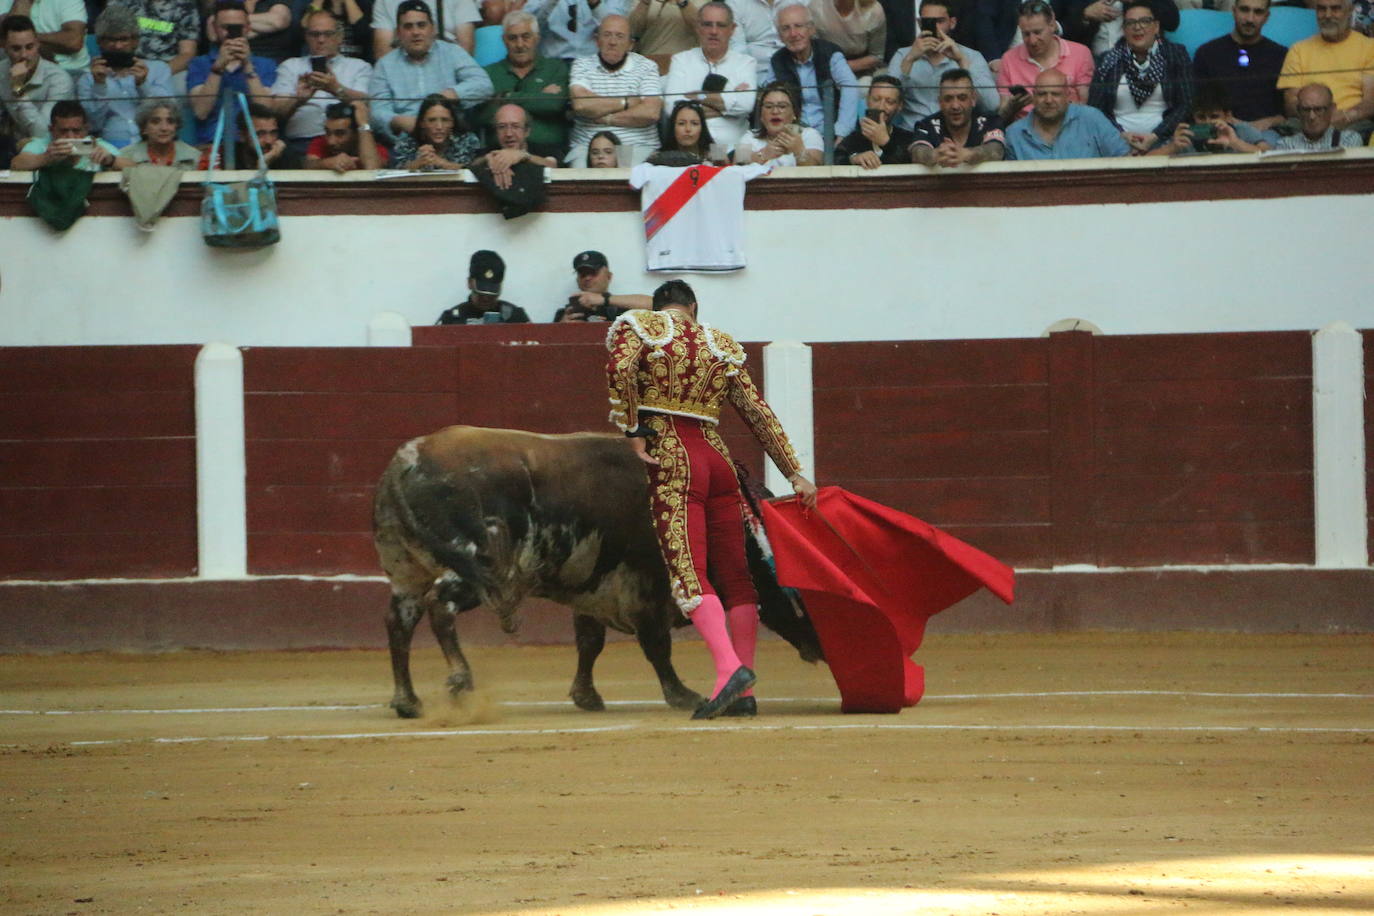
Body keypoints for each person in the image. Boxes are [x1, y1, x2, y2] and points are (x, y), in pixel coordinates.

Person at [605, 279, 818, 719]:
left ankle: (728, 672)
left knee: (688, 571)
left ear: (660, 307)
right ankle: (744, 695)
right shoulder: (720, 344)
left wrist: (630, 429)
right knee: (737, 578)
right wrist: (794, 472)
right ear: (694, 307)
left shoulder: (639, 326)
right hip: (718, 459)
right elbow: (757, 412)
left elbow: (622, 369)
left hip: (673, 453)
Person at [368, 0, 494, 143]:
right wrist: (398, 121)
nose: (415, 32)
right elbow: (376, 112)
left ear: (433, 29)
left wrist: (447, 95)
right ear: (398, 32)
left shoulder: (452, 52)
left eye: (421, 25)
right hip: (406, 138)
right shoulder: (384, 65)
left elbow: (484, 85)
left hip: (451, 138)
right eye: (408, 27)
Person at [1086, 0, 1192, 155]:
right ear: (1124, 29)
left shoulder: (1175, 55)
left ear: (1156, 26)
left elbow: (1186, 104)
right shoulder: (1107, 60)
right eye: (1131, 23)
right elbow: (1096, 109)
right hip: (1116, 142)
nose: (1137, 27)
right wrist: (1120, 135)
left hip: (1166, 140)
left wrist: (1156, 136)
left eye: (1145, 21)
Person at [269, 8, 374, 150]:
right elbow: (276, 113)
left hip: (348, 144)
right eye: (314, 34)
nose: (321, 40)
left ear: (340, 37)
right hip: (301, 143)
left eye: (328, 34)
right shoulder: (290, 66)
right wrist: (298, 100)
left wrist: (336, 89)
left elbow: (365, 104)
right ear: (306, 37)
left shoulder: (359, 67)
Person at [661, 0, 756, 155]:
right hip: (691, 152)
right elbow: (672, 108)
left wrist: (698, 97)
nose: (713, 31)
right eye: (707, 24)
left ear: (732, 29)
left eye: (721, 25)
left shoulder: (745, 63)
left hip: (736, 151)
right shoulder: (681, 61)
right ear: (698, 27)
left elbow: (746, 105)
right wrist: (724, 106)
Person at [888, 0, 998, 132]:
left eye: (940, 21)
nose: (935, 29)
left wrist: (961, 61)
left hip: (957, 135)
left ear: (952, 23)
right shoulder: (903, 56)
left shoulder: (971, 57)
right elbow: (887, 101)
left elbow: (992, 105)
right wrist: (910, 59)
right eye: (928, 23)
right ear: (919, 23)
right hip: (912, 133)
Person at [77, 5, 176, 150]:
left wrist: (143, 85)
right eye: (111, 40)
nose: (117, 46)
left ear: (135, 41)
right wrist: (99, 86)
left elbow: (170, 115)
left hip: (154, 147)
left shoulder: (159, 70)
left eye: (123, 39)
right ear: (99, 42)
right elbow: (93, 125)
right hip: (110, 149)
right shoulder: (87, 79)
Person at [568, 14, 663, 162]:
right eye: (607, 35)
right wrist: (626, 102)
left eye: (620, 36)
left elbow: (651, 112)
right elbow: (581, 104)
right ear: (597, 40)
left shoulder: (647, 67)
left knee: (633, 177)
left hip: (635, 146)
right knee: (580, 178)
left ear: (630, 44)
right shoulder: (582, 65)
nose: (613, 42)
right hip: (588, 146)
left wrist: (606, 118)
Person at [478, 10, 570, 160]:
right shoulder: (488, 73)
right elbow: (484, 116)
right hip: (498, 154)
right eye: (513, 38)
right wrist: (538, 96)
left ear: (537, 38)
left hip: (549, 153)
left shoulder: (556, 68)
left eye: (526, 37)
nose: (520, 44)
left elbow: (554, 104)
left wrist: (504, 97)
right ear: (504, 40)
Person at [187, 1, 278, 147]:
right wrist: (217, 69)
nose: (231, 33)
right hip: (213, 143)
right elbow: (200, 111)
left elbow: (266, 111)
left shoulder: (266, 64)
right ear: (215, 28)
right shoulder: (199, 64)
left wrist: (247, 66)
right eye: (225, 27)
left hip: (255, 145)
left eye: (238, 27)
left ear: (248, 28)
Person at [1276, 0, 1374, 131]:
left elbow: (1370, 102)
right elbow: (1291, 102)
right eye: (1322, 9)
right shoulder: (1298, 50)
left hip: (1352, 124)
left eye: (1335, 9)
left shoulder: (1369, 48)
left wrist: (1345, 117)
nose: (1327, 15)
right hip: (1307, 123)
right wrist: (1316, 119)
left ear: (1349, 11)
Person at [1191, 0, 1286, 130]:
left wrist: (1268, 122)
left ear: (1266, 17)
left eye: (1258, 12)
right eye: (1244, 10)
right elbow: (1198, 104)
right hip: (1220, 131)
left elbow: (1288, 112)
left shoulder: (1280, 55)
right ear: (1234, 11)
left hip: (1267, 132)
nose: (1250, 19)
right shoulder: (1207, 54)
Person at [771, 2, 860, 140]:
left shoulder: (831, 54)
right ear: (779, 36)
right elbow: (767, 96)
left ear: (811, 29)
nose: (793, 34)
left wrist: (841, 132)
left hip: (831, 133)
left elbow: (850, 88)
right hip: (794, 135)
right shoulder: (777, 61)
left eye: (799, 26)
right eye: (785, 28)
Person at [995, 0, 1093, 122]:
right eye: (1026, 34)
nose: (1032, 41)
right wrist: (1012, 108)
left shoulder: (1080, 54)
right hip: (1024, 131)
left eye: (1037, 32)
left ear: (1052, 25)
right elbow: (1002, 114)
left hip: (1071, 125)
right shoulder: (1009, 59)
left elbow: (1087, 106)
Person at [1004, 65, 1129, 158]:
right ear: (1034, 97)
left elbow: (1123, 159)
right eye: (1042, 94)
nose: (1048, 100)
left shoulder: (1092, 119)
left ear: (1068, 96)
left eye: (1055, 94)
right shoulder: (1014, 134)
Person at [0, 14, 75, 155]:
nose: (24, 55)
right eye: (16, 49)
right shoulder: (1, 72)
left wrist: (18, 90)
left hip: (51, 150)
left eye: (29, 47)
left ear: (38, 43)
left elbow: (43, 133)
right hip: (10, 147)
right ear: (4, 47)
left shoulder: (59, 79)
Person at [910, 66, 1005, 164]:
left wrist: (967, 154)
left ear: (973, 99)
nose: (955, 106)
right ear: (940, 102)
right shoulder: (926, 125)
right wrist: (936, 155)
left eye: (962, 98)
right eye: (948, 99)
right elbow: (917, 152)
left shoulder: (991, 121)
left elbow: (996, 151)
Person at [12, 99, 129, 169]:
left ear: (86, 129)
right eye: (63, 131)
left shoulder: (96, 145)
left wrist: (110, 160)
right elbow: (16, 164)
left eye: (76, 131)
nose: (70, 137)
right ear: (51, 129)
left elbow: (133, 167)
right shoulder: (41, 144)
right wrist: (46, 158)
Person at [732, 79, 823, 164]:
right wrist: (763, 155)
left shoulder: (809, 135)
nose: (775, 111)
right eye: (768, 107)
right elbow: (737, 165)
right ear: (761, 115)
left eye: (782, 106)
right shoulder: (750, 137)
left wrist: (798, 151)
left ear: (794, 113)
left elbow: (816, 170)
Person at [1162, 85, 1270, 155]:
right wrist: (1173, 147)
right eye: (1201, 117)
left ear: (1228, 115)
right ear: (1194, 117)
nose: (1208, 122)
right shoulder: (1187, 135)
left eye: (1214, 116)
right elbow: (1147, 159)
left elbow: (1269, 153)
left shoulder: (1242, 130)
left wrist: (1235, 143)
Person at [834, 73, 912, 166]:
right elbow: (835, 159)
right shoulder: (854, 139)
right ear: (867, 100)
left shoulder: (907, 139)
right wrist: (853, 159)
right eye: (876, 99)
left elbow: (909, 160)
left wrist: (886, 143)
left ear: (899, 106)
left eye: (889, 102)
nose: (881, 106)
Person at [467, 102, 560, 179]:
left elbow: (553, 165)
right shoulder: (488, 151)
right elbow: (470, 166)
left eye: (515, 126)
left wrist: (523, 155)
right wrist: (487, 158)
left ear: (527, 131)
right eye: (502, 127)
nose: (509, 134)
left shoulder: (545, 150)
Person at [437, 250, 532, 324]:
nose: (486, 298)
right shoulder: (452, 319)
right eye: (481, 293)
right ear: (469, 283)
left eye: (492, 295)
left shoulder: (515, 317)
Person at [554, 249, 650, 320]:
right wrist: (562, 328)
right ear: (577, 279)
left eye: (593, 272)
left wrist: (604, 299)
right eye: (583, 274)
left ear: (609, 276)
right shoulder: (566, 313)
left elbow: (657, 305)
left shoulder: (622, 306)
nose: (587, 278)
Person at [392, 93, 482, 168]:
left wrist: (443, 164)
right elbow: (392, 174)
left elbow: (476, 170)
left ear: (452, 122)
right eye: (432, 120)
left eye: (445, 120)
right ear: (422, 123)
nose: (439, 127)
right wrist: (418, 163)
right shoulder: (407, 144)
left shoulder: (468, 141)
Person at [0, 0, 89, 75]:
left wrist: (29, 39)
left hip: (69, 70)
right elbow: (4, 41)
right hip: (16, 70)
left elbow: (74, 42)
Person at [115, 0, 199, 77]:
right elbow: (113, 42)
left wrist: (159, 74)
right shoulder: (123, 2)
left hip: (169, 67)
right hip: (128, 65)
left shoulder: (185, 5)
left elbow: (187, 53)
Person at [525, 0, 627, 62]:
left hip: (594, 64)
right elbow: (528, 28)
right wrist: (551, 2)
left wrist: (595, 5)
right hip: (552, 61)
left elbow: (617, 30)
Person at [371, 0, 480, 59]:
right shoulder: (384, 1)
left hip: (448, 63)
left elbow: (466, 48)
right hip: (403, 64)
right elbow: (382, 52)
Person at [808, 0, 886, 79]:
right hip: (825, 66)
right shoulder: (817, 6)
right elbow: (812, 48)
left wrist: (842, 67)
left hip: (862, 70)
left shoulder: (873, 10)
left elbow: (876, 56)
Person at [1273, 82, 1364, 149]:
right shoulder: (1286, 145)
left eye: (1318, 109)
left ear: (1332, 109)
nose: (1312, 116)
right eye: (1306, 110)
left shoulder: (1348, 139)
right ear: (1298, 110)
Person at [305, 99, 387, 169]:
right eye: (328, 132)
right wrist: (327, 163)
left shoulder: (375, 149)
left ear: (357, 133)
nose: (331, 142)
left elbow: (373, 169)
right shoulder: (320, 142)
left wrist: (363, 124)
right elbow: (308, 165)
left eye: (340, 134)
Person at [119, 99, 202, 165]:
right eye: (155, 122)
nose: (164, 128)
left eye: (170, 121)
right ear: (144, 128)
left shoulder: (195, 158)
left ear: (176, 127)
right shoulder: (125, 157)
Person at [626, 0, 704, 70]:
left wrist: (682, 2)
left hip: (685, 65)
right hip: (648, 64)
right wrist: (644, 3)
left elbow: (702, 28)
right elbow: (632, 32)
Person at [300, 0, 373, 60]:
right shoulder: (313, 4)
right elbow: (304, 28)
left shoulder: (364, 4)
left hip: (354, 63)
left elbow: (363, 34)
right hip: (320, 60)